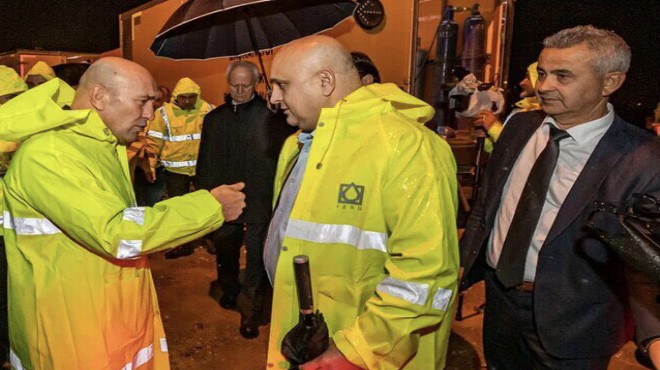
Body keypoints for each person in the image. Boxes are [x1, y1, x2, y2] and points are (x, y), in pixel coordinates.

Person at [0, 57, 246, 370]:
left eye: (153, 103)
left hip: (107, 319)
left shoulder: (100, 145)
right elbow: (117, 232)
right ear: (99, 96)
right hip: (72, 335)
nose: (150, 115)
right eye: (142, 102)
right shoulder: (49, 154)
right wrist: (211, 207)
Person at [460, 25, 660, 369]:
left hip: (576, 326)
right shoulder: (519, 127)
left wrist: (654, 335)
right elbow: (487, 208)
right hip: (500, 304)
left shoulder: (642, 159)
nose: (544, 86)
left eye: (562, 76)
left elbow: (643, 261)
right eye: (543, 72)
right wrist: (459, 270)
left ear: (609, 82)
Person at [264, 35, 459, 369]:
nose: (273, 99)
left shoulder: (407, 147)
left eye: (281, 85)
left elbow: (426, 276)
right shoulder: (295, 146)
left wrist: (355, 352)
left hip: (363, 355)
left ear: (325, 82)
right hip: (308, 339)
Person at [195, 61, 294, 339]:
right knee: (226, 251)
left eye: (246, 85)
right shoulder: (214, 119)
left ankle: (250, 309)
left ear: (256, 84)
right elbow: (204, 162)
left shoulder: (271, 119)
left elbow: (282, 162)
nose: (239, 90)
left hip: (259, 199)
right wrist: (205, 197)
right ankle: (229, 289)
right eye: (234, 84)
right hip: (224, 200)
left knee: (255, 259)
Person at [146, 77, 214, 258]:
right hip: (176, 172)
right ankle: (184, 244)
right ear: (176, 96)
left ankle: (211, 240)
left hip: (203, 170)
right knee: (179, 210)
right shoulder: (163, 114)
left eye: (191, 97)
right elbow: (153, 141)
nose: (186, 101)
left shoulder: (208, 110)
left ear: (197, 96)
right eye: (183, 97)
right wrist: (151, 165)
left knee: (208, 206)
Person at [0, 65, 29, 368]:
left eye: (14, 98)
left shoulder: (31, 128)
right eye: (5, 99)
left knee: (17, 294)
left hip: (22, 227)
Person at [473, 61, 541, 152]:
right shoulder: (521, 111)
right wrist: (484, 134)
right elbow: (501, 152)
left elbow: (525, 152)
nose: (522, 83)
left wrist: (493, 127)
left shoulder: (544, 115)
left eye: (528, 78)